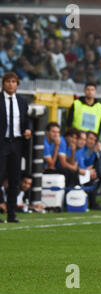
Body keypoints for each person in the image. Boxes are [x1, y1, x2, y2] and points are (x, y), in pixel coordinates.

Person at [0, 72, 31, 223]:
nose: (11, 84)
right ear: (3, 83)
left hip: (17, 144)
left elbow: (26, 120)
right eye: (8, 81)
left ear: (17, 84)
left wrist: (28, 130)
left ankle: (11, 214)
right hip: (2, 143)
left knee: (15, 180)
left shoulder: (22, 101)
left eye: (14, 81)